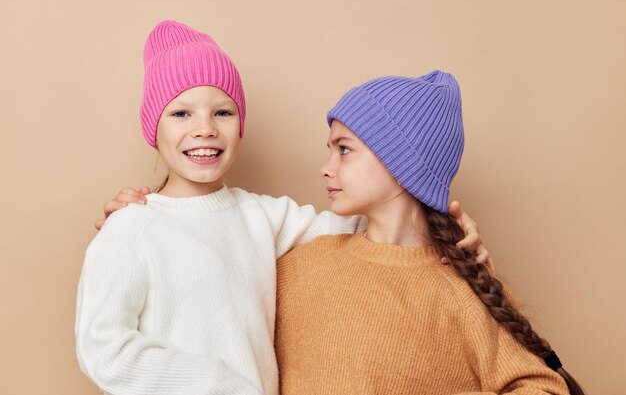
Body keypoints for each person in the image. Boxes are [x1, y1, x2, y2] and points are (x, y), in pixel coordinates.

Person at [77, 21, 486, 395]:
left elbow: (377, 221)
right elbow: (102, 348)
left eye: (223, 112)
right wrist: (216, 382)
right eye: (181, 113)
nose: (205, 127)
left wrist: (444, 224)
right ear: (153, 127)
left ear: (241, 126)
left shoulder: (263, 217)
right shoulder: (132, 227)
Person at [275, 71, 585, 395]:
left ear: (401, 161)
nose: (326, 167)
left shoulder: (462, 291)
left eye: (345, 149)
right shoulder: (302, 266)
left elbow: (544, 387)